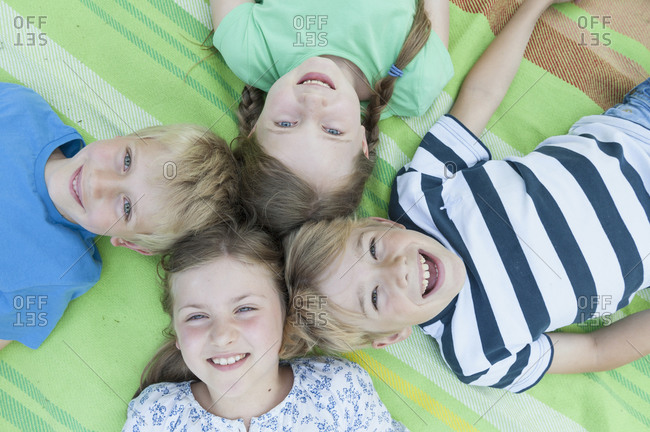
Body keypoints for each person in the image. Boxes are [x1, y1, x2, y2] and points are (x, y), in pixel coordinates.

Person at [283, 0, 650, 393]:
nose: (397, 268)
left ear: (380, 223)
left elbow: (481, 96)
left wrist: (532, 9)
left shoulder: (420, 199)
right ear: (389, 337)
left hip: (636, 136)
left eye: (373, 248)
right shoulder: (480, 356)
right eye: (374, 297)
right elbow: (595, 349)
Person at [0, 83, 240, 351]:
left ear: (130, 243)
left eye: (126, 207)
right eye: (126, 161)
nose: (97, 182)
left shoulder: (64, 272)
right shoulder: (20, 111)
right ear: (130, 135)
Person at [123, 222, 408, 431]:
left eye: (245, 309)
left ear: (285, 316)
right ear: (178, 335)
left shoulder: (338, 390)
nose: (222, 336)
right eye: (196, 316)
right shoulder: (156, 416)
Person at [210, 0, 453, 237]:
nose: (313, 101)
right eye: (332, 131)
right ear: (362, 145)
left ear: (254, 129)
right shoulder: (417, 82)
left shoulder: (248, 50)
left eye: (285, 123)